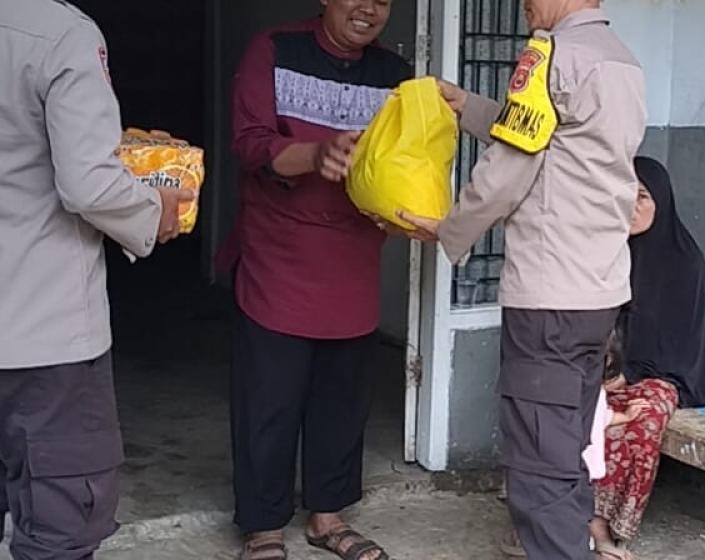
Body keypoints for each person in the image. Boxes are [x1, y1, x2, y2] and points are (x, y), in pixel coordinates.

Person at [400, 0, 647, 557]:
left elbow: (509, 169)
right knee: (567, 445)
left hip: (550, 299)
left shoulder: (552, 55)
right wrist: (467, 106)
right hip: (598, 293)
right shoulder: (620, 60)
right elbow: (555, 143)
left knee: (541, 463)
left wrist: (449, 228)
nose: (522, 4)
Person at [218, 1, 412, 558]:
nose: (369, 8)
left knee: (341, 394)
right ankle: (263, 525)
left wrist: (405, 208)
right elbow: (249, 143)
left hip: (353, 256)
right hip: (279, 253)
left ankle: (327, 517)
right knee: (270, 396)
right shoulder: (274, 51)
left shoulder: (394, 78)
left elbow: (406, 159)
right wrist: (314, 153)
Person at [0, 1, 192, 558]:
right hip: (43, 338)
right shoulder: (60, 33)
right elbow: (87, 185)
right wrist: (156, 209)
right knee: (59, 527)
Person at [591, 156, 705, 560]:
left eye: (641, 196)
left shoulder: (684, 261)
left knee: (641, 423)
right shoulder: (606, 251)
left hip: (663, 375)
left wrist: (631, 373)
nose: (630, 207)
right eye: (623, 195)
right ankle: (567, 519)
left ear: (661, 201)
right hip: (604, 370)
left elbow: (682, 342)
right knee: (565, 408)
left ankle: (608, 526)